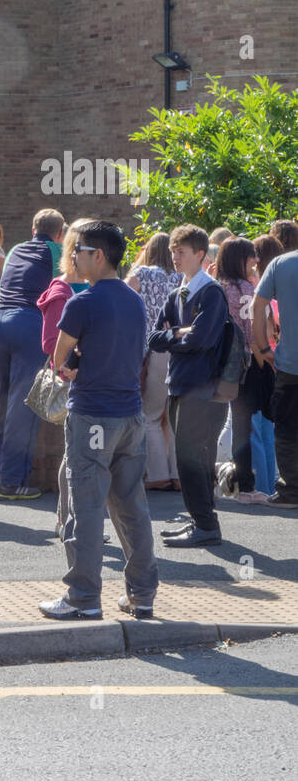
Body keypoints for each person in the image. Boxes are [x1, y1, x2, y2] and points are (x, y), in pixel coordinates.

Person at [39, 220, 158, 621]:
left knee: (85, 509)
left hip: (92, 414)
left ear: (99, 256)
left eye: (79, 251)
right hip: (131, 416)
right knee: (131, 507)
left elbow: (58, 360)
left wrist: (73, 363)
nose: (73, 257)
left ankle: (82, 598)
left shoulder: (82, 302)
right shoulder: (134, 299)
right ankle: (142, 594)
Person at [148, 224, 230, 546]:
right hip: (179, 383)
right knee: (188, 460)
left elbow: (202, 339)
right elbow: (154, 339)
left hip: (203, 387)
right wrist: (179, 333)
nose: (174, 257)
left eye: (180, 251)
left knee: (194, 458)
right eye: (172, 251)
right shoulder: (176, 293)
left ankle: (205, 525)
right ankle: (201, 520)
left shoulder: (211, 291)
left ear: (200, 254)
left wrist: (177, 335)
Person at [0, 208, 66, 500]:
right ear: (60, 233)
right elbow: (71, 285)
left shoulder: (17, 248)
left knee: (4, 399)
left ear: (33, 230)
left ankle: (5, 474)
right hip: (28, 323)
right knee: (24, 405)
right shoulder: (57, 251)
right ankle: (13, 481)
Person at [38, 220, 94, 538]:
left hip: (92, 379)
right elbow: (49, 344)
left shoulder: (94, 287)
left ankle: (72, 519)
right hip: (74, 380)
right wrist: (74, 358)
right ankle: (68, 519)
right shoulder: (62, 290)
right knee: (75, 454)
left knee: (79, 454)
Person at [216, 237, 272, 503]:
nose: (255, 261)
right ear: (239, 258)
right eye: (251, 256)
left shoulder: (216, 288)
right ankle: (246, 488)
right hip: (246, 366)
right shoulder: (247, 289)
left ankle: (222, 483)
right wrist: (264, 361)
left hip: (219, 366)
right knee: (242, 427)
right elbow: (253, 332)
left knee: (215, 423)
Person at [125, 232, 182, 492]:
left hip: (152, 349)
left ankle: (158, 474)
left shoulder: (143, 274)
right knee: (172, 418)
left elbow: (119, 297)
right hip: (180, 349)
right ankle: (179, 475)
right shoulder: (183, 278)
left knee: (150, 416)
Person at [253, 242, 298, 507]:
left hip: (290, 364)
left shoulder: (281, 264)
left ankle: (292, 491)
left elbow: (258, 307)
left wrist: (262, 348)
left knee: (287, 429)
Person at [250, 234, 284, 495]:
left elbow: (262, 319)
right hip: (276, 358)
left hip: (264, 361)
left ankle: (263, 486)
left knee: (259, 428)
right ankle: (271, 482)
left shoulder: (259, 286)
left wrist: (263, 350)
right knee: (269, 427)